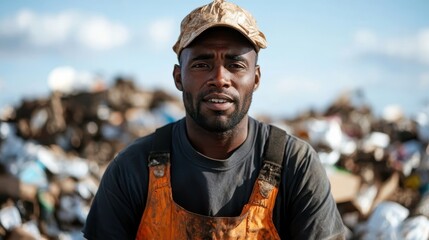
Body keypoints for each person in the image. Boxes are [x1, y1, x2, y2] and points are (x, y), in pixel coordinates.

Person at [83, 0, 346, 239]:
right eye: (201, 64)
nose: (220, 79)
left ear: (255, 78)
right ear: (178, 77)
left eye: (235, 64)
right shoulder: (133, 168)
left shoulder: (295, 166)